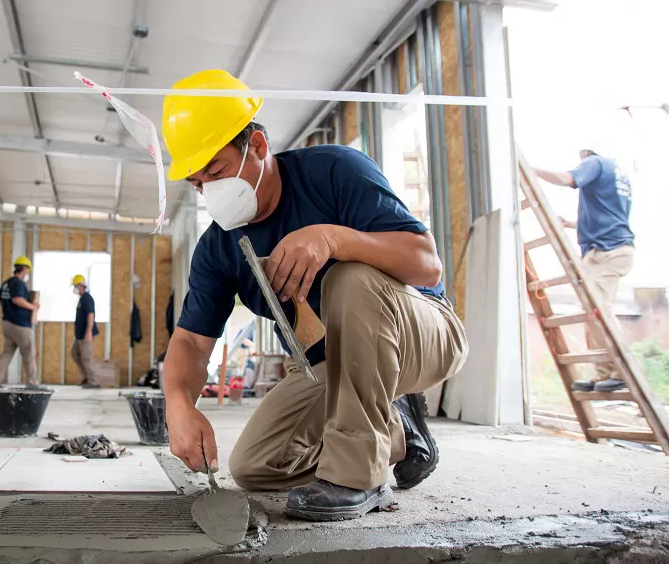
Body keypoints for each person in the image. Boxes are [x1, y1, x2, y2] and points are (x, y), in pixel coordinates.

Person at [160, 69, 468, 522]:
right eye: (197, 182)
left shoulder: (335, 170)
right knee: (255, 465)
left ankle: (358, 477)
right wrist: (178, 404)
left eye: (217, 170)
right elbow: (190, 341)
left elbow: (426, 263)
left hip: (421, 333)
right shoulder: (218, 246)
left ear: (258, 147)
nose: (210, 189)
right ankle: (395, 428)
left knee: (349, 278)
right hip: (330, 365)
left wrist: (333, 239)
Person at [534, 144, 634, 392]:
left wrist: (530, 169)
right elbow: (607, 216)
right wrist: (569, 224)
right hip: (612, 248)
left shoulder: (595, 163)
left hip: (606, 252)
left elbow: (567, 178)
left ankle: (620, 372)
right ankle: (603, 373)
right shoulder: (617, 173)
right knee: (593, 312)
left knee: (600, 310)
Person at [0, 256, 40, 387]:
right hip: (20, 325)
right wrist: (33, 307)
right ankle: (32, 383)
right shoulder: (18, 283)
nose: (27, 274)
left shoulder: (7, 283)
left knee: (6, 353)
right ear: (24, 269)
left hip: (7, 324)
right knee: (28, 354)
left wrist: (9, 308)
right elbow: (17, 299)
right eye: (27, 271)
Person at [70, 274, 101, 389]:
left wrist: (88, 332)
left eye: (75, 285)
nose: (74, 288)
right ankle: (86, 377)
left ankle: (94, 381)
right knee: (75, 354)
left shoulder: (87, 298)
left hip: (85, 334)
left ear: (81, 285)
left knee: (87, 357)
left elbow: (90, 315)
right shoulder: (81, 299)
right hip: (79, 335)